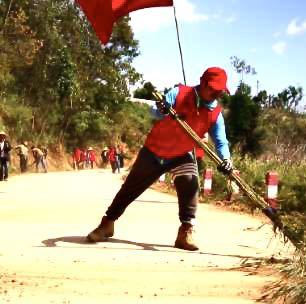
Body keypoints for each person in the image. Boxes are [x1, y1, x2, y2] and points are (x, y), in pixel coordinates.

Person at [86, 67, 234, 251]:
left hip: (182, 154)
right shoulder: (179, 93)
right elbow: (155, 111)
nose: (216, 94)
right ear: (203, 83)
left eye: (220, 91)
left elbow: (221, 142)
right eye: (213, 89)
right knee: (130, 188)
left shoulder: (215, 114)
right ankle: (107, 224)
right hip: (154, 150)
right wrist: (162, 108)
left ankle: (185, 232)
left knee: (190, 183)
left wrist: (226, 160)